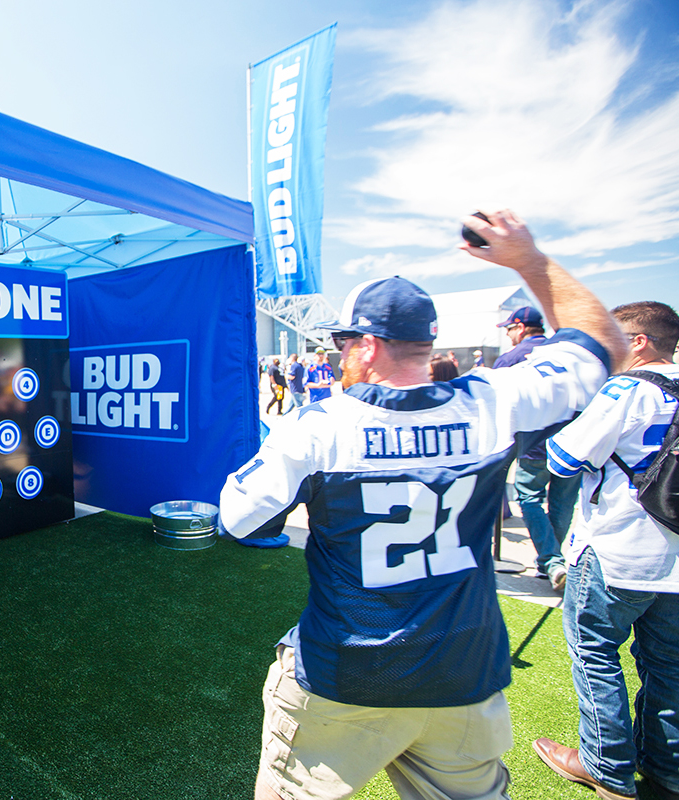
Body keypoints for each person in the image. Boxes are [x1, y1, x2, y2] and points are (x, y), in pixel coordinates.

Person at [218, 208, 626, 800]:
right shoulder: (493, 400)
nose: (336, 355)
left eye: (341, 341)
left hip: (347, 671)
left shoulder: (320, 426)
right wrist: (530, 262)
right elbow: (603, 347)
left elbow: (237, 519)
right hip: (463, 667)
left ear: (367, 345)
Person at [535, 302, 679, 800]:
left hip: (617, 546)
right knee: (668, 664)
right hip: (675, 558)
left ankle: (606, 766)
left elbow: (563, 458)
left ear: (638, 342)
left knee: (595, 654)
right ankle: (666, 768)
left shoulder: (628, 389)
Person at [494, 306, 582, 591]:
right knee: (562, 503)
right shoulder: (570, 355)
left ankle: (552, 560)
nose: (508, 335)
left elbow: (497, 402)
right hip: (573, 442)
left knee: (529, 499)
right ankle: (551, 562)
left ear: (520, 327)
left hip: (533, 445)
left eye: (509, 329)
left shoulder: (512, 358)